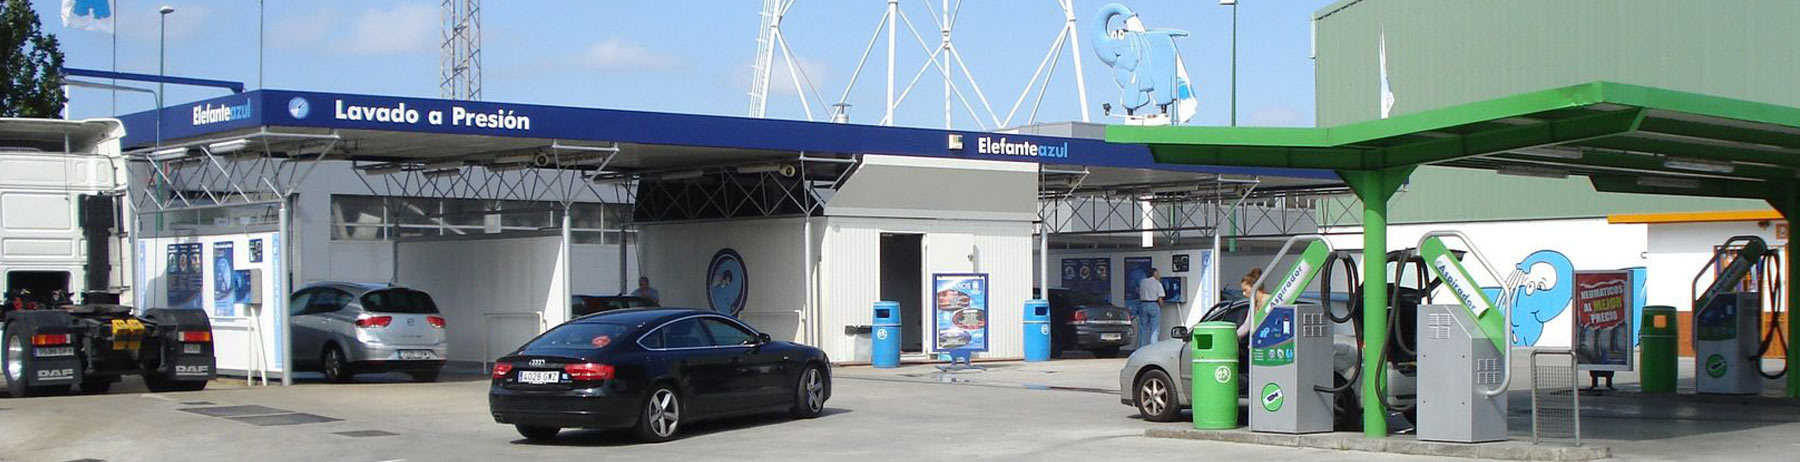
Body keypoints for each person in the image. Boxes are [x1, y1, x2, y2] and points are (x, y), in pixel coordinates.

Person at [1237, 268, 1273, 339]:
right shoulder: (1253, 303)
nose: (1243, 294)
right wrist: (1232, 337)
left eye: (1245, 290)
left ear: (1254, 287)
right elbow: (1247, 326)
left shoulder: (1269, 300)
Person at [1135, 268, 1165, 348]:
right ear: (1154, 274)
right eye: (1158, 273)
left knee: (1143, 329)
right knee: (1154, 329)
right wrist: (1161, 306)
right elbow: (1160, 299)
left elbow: (1138, 293)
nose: (1159, 275)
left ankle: (1141, 349)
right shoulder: (1157, 283)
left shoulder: (1142, 282)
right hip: (1153, 304)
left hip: (1143, 305)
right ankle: (1153, 349)